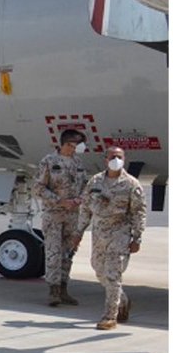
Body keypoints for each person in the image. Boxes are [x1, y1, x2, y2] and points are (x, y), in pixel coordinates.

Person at [75, 145, 146, 330]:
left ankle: (110, 317)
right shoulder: (95, 181)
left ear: (124, 159)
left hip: (120, 233)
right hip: (99, 234)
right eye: (112, 156)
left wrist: (137, 238)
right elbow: (85, 208)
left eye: (119, 157)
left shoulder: (131, 184)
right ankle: (122, 300)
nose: (116, 160)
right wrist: (79, 232)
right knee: (98, 269)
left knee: (113, 275)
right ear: (105, 159)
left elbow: (138, 212)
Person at [33, 129, 89, 306]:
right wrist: (59, 201)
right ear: (64, 144)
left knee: (68, 252)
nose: (74, 149)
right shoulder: (49, 161)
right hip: (54, 214)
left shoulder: (78, 163)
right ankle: (54, 290)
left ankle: (64, 288)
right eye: (72, 145)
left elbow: (85, 186)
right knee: (53, 252)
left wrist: (79, 200)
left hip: (72, 215)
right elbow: (38, 188)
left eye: (76, 146)